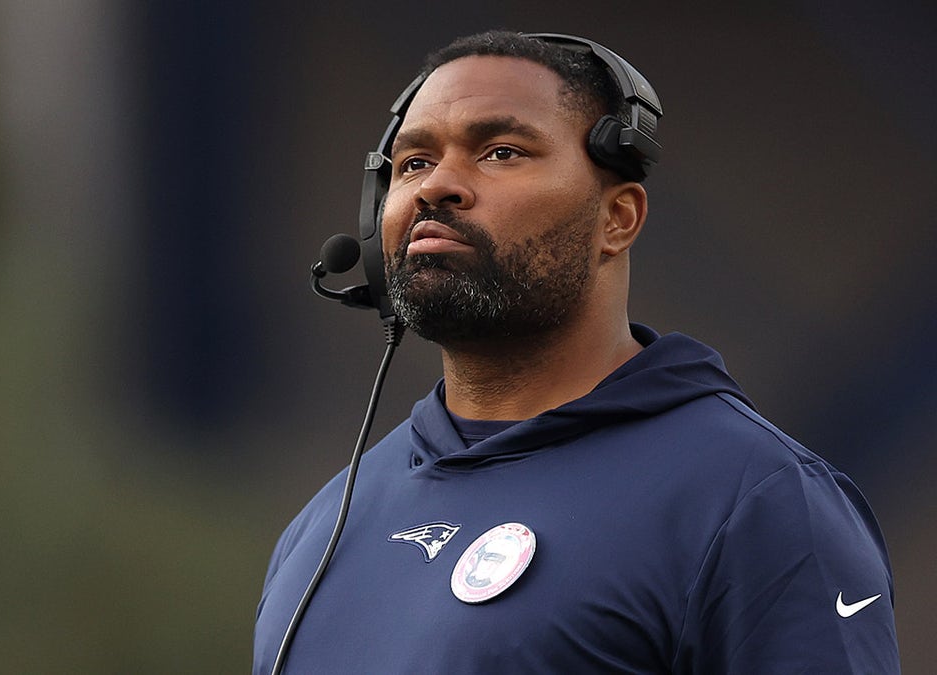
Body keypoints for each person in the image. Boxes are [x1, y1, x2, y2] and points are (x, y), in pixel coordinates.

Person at [253, 30, 900, 673]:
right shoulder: (323, 526)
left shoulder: (758, 501)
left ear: (617, 218)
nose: (437, 186)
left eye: (501, 151)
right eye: (414, 162)